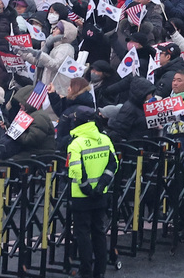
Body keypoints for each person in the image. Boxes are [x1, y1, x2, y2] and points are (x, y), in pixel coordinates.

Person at [66, 108, 118, 278]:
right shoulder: (105, 139)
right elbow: (113, 164)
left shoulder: (76, 143)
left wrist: (86, 187)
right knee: (99, 231)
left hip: (81, 195)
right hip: (101, 193)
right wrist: (102, 184)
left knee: (82, 233)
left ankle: (86, 271)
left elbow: (76, 169)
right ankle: (100, 271)